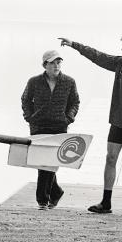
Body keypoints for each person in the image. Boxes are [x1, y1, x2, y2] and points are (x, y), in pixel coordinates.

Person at [60, 31, 122, 215]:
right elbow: (98, 57)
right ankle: (106, 202)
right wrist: (74, 44)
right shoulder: (121, 63)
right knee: (110, 158)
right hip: (118, 123)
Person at [20, 47, 80, 209]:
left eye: (58, 62)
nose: (56, 66)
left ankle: (45, 199)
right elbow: (25, 100)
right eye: (52, 63)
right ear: (45, 65)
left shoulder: (69, 82)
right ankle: (48, 197)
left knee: (51, 162)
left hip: (59, 125)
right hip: (38, 125)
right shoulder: (34, 81)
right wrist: (30, 117)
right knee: (42, 162)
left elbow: (75, 102)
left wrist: (69, 118)